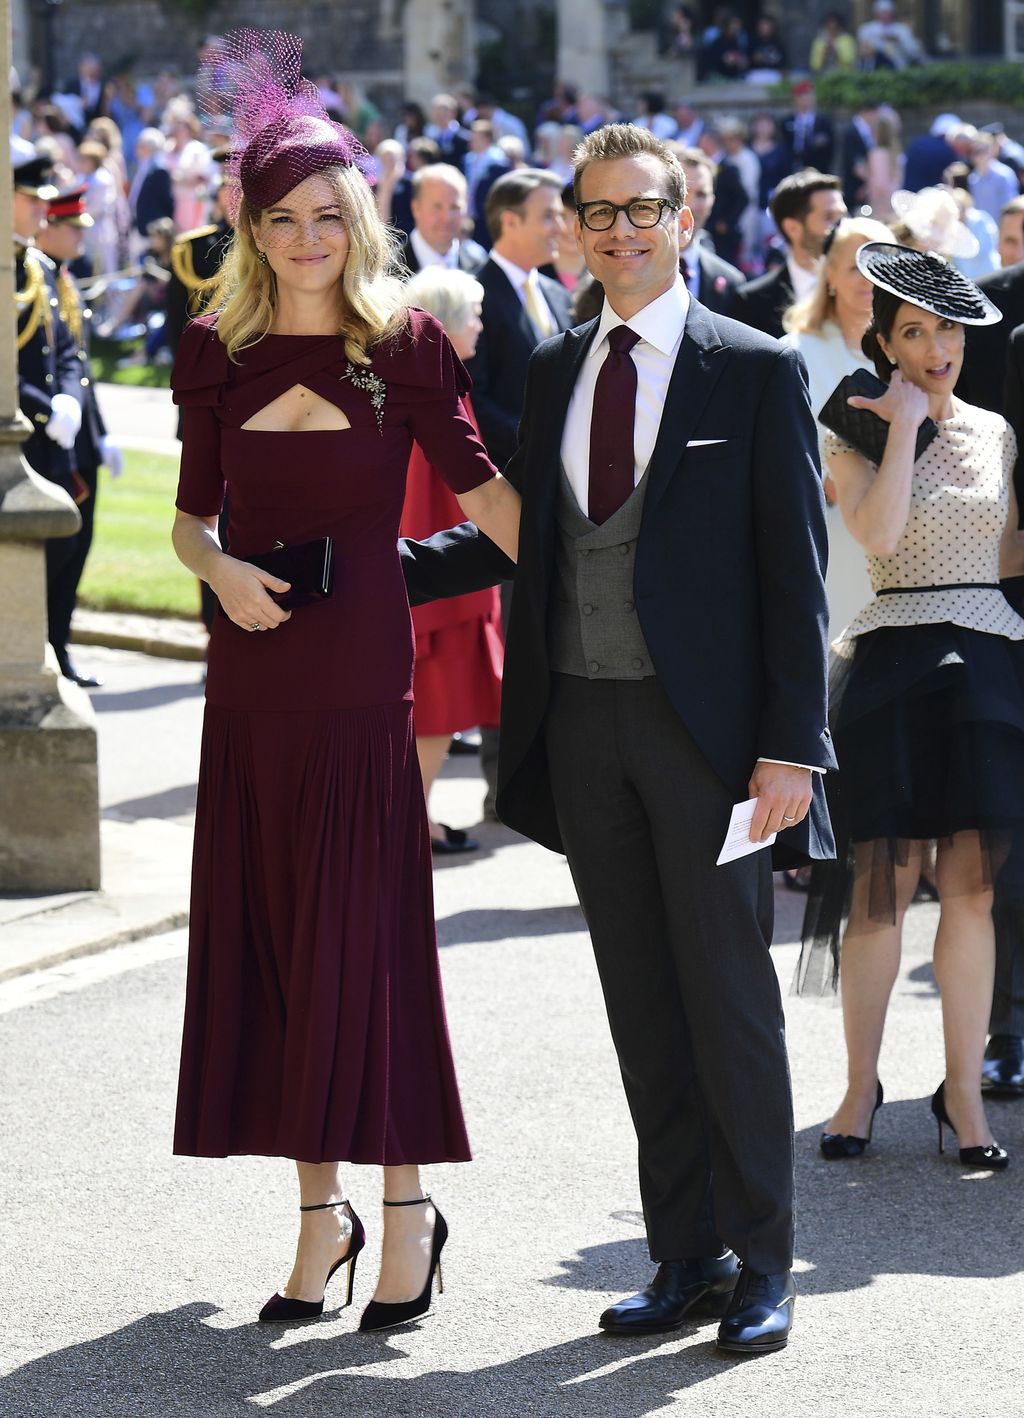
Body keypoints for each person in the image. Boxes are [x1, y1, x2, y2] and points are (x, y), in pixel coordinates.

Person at [402, 121, 835, 1355]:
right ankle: (684, 1253)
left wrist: (790, 744)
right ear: (575, 229)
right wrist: (372, 571)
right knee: (642, 1002)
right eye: (597, 212)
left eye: (642, 209)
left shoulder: (749, 369)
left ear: (684, 218)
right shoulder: (552, 364)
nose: (619, 230)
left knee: (729, 1000)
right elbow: (523, 532)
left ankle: (762, 1258)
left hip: (709, 742)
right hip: (581, 725)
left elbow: (792, 578)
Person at [169, 28, 520, 1334]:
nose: (309, 236)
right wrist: (217, 573)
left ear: (357, 218)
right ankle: (321, 1221)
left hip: (365, 682)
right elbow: (190, 520)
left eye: (329, 214)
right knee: (278, 950)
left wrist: (619, 592)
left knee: (363, 952)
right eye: (284, 218)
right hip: (250, 684)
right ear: (251, 228)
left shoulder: (409, 346)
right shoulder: (213, 348)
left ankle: (411, 1210)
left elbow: (486, 498)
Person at [801, 242, 1024, 1173]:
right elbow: (879, 533)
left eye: (948, 333)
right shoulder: (853, 423)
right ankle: (859, 1088)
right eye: (916, 334)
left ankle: (965, 1097)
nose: (939, 350)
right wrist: (899, 427)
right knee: (881, 894)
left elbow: (1007, 554)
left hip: (986, 668)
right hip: (892, 661)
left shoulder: (1000, 431)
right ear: (886, 343)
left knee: (972, 895)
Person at [399, 267, 504, 852]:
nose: (481, 324)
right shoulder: (437, 378)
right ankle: (411, 820)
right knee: (436, 705)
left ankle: (415, 814)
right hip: (443, 563)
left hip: (440, 555)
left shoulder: (425, 372)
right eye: (473, 313)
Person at [781, 216, 893, 636]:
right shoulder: (793, 353)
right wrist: (829, 479)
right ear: (829, 275)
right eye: (854, 266)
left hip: (902, 532)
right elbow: (780, 451)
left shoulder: (910, 348)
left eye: (878, 265)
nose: (867, 278)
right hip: (826, 530)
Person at [35, 184, 123, 688]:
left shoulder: (63, 278)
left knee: (78, 545)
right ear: (47, 225)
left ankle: (60, 646)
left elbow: (80, 369)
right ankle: (46, 647)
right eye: (71, 227)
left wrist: (102, 434)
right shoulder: (34, 278)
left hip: (79, 437)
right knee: (57, 549)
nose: (79, 236)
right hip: (52, 437)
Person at [464, 168, 572, 472]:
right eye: (549, 216)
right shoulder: (475, 296)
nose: (561, 227)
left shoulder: (558, 295)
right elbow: (473, 398)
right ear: (511, 221)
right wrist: (536, 447)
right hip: (505, 476)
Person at [730, 170, 846, 338]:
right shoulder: (752, 303)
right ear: (792, 228)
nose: (842, 227)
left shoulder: (862, 289)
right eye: (828, 217)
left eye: (842, 216)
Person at [676, 147, 744, 312]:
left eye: (701, 195)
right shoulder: (631, 269)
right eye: (682, 193)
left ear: (712, 201)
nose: (690, 205)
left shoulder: (731, 282)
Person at [396, 162, 487, 276]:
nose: (446, 217)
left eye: (455, 207)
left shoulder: (480, 268)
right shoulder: (388, 271)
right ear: (416, 208)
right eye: (437, 207)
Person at [781, 81, 835, 179]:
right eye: (802, 95)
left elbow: (830, 149)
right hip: (793, 171)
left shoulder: (824, 122)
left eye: (809, 95)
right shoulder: (787, 121)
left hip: (819, 172)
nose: (806, 99)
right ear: (795, 99)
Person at [857, 0, 923, 69]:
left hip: (900, 66)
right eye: (882, 12)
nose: (885, 15)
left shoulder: (902, 30)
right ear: (876, 13)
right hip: (875, 67)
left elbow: (912, 51)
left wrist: (899, 41)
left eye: (887, 12)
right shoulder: (866, 29)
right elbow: (864, 51)